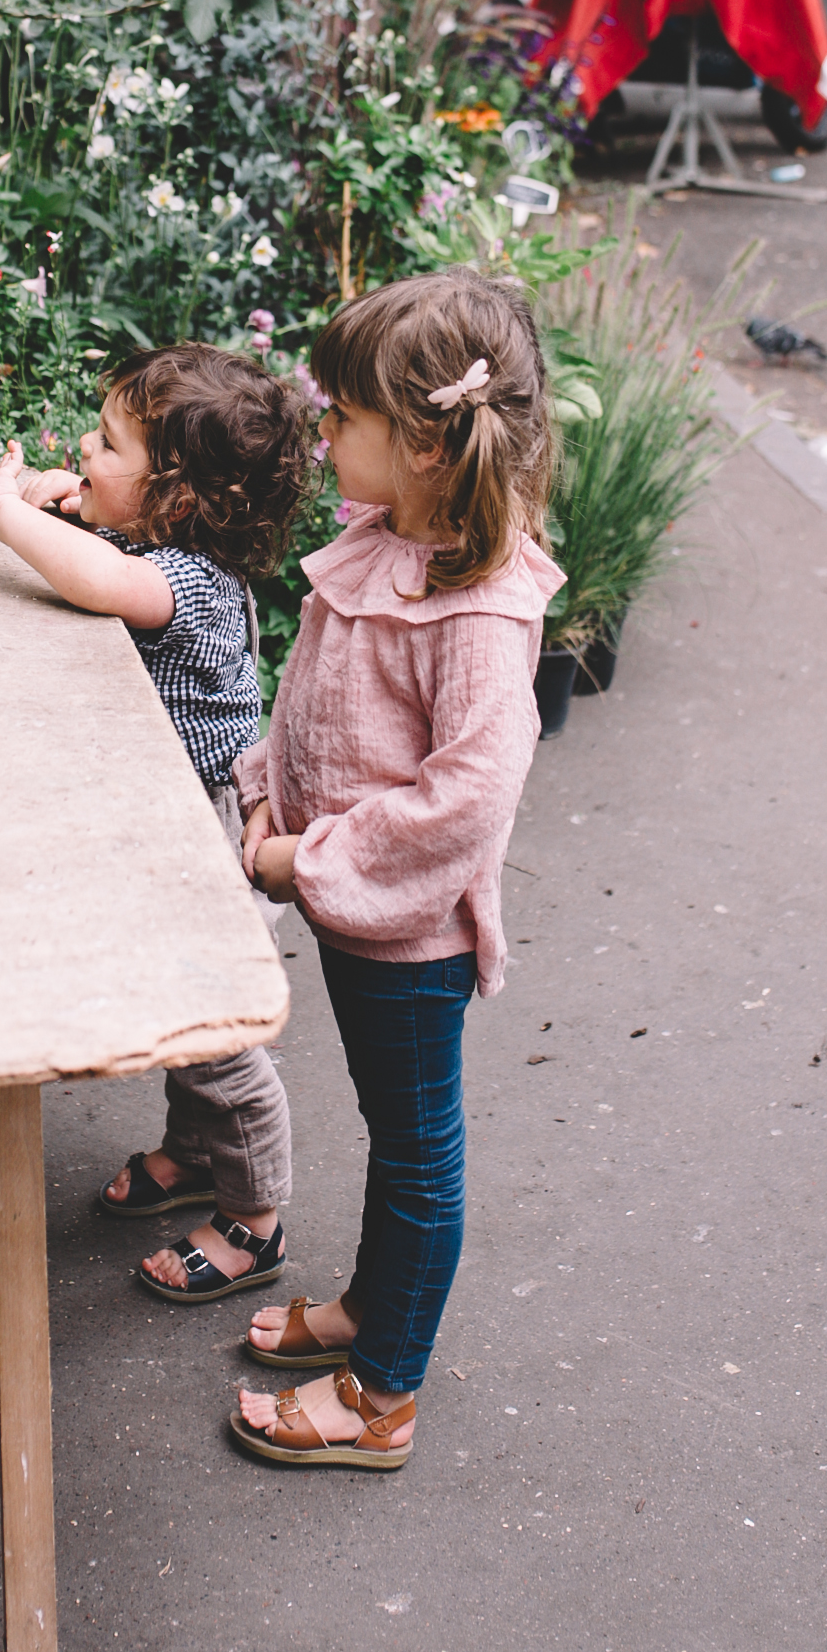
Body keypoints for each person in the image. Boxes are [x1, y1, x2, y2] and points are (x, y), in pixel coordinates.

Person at [228, 269, 563, 1472]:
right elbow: (323, 693)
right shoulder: (388, 540)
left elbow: (466, 797)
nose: (320, 436)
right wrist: (271, 779)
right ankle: (374, 1312)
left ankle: (382, 1395)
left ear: (423, 443)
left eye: (340, 420)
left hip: (405, 932)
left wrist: (302, 856)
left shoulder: (479, 612)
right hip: (351, 908)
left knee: (419, 1146)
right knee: (391, 1128)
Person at [0, 346, 312, 1305]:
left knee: (212, 1035)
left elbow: (104, 585)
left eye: (108, 443)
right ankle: (196, 1155)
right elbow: (102, 558)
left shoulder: (193, 587)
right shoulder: (159, 551)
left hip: (206, 840)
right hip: (168, 820)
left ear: (172, 502)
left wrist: (5, 516)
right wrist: (65, 502)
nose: (85, 442)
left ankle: (256, 1217)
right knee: (182, 1019)